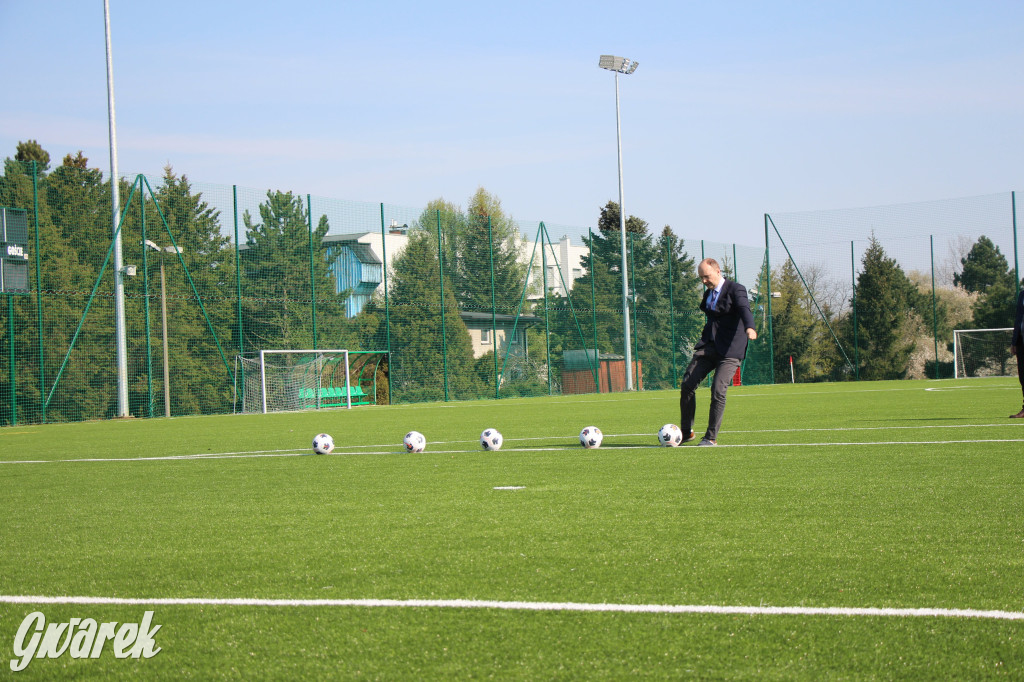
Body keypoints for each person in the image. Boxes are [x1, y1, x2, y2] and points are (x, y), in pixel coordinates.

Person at [679, 258, 758, 446]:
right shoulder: (708, 294)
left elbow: (744, 309)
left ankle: (710, 437)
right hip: (709, 347)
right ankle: (686, 431)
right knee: (687, 384)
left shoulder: (735, 289)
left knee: (717, 390)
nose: (704, 281)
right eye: (701, 278)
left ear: (718, 271)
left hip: (730, 349)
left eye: (706, 276)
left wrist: (750, 327)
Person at [1011, 288, 1024, 418]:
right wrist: (1014, 342)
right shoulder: (1022, 294)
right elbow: (1018, 319)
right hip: (1021, 341)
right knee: (1023, 377)